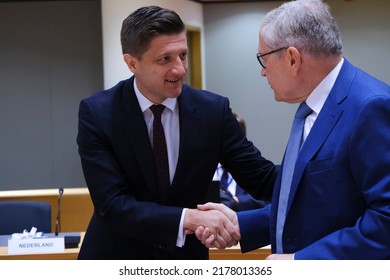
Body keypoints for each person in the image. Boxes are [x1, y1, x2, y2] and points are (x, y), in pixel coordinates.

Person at [76, 5, 278, 259]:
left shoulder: (213, 111)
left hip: (186, 259)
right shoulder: (99, 113)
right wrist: (189, 218)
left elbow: (262, 178)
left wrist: (322, 177)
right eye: (165, 59)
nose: (180, 69)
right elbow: (113, 206)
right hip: (116, 257)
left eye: (183, 55)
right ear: (132, 63)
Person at [196, 0, 390, 259]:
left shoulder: (371, 106)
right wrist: (240, 224)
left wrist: (301, 262)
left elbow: (385, 219)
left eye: (263, 59)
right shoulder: (309, 108)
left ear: (292, 58)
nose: (263, 73)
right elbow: (312, 203)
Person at [214, 112, 270, 211]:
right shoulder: (203, 167)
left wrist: (236, 201)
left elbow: (267, 199)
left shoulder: (253, 166)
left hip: (245, 223)